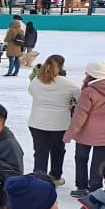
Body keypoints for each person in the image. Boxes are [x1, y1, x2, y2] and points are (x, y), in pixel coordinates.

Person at [67, 61, 105, 197]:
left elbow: (80, 115)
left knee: (81, 157)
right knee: (100, 160)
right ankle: (95, 187)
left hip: (87, 130)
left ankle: (82, 187)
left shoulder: (89, 91)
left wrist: (69, 134)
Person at [28, 55, 80, 184]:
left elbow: (31, 92)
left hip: (37, 122)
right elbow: (80, 96)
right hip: (59, 124)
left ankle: (39, 178)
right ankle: (55, 176)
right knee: (58, 151)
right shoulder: (67, 83)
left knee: (40, 151)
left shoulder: (36, 80)